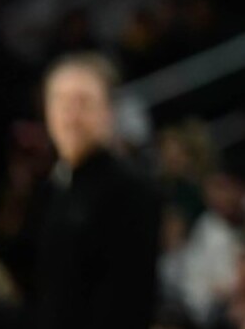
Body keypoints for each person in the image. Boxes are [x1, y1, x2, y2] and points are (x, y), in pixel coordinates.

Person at [32, 52, 160, 329]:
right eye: (61, 101)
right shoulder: (55, 186)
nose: (71, 115)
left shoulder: (130, 190)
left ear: (109, 111)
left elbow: (127, 303)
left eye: (84, 102)